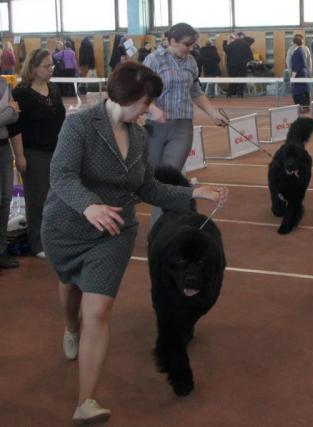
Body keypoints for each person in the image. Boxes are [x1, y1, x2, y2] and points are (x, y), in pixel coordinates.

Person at [41, 61, 228, 424]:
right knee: (69, 289)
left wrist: (193, 191)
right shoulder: (80, 124)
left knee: (99, 310)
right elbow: (60, 175)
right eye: (147, 102)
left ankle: (86, 401)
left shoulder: (139, 136)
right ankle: (70, 327)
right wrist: (89, 206)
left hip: (113, 232)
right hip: (68, 227)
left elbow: (147, 188)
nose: (150, 109)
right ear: (130, 97)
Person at [143, 22, 227, 224]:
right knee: (152, 178)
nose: (190, 48)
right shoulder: (153, 60)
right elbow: (140, 92)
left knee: (169, 177)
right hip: (155, 127)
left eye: (192, 44)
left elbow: (195, 92)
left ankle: (159, 227)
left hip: (182, 127)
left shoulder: (191, 62)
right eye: (186, 44)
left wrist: (213, 113)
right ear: (172, 40)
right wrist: (153, 110)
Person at [9, 49, 66, 259]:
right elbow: (15, 127)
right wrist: (20, 155)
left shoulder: (53, 89)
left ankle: (54, 237)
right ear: (33, 68)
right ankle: (38, 243)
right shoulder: (21, 93)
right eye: (46, 66)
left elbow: (61, 119)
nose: (51, 69)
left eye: (52, 65)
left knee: (57, 198)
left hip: (56, 151)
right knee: (37, 199)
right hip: (34, 154)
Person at [0, 73, 20, 268]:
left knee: (6, 199)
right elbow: (10, 112)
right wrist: (7, 110)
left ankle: (1, 251)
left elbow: (15, 115)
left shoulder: (3, 84)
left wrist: (6, 112)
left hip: (4, 148)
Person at [222, 32, 254, 97]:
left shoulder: (232, 44)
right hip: (243, 64)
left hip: (233, 64)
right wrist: (243, 36)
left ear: (237, 37)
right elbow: (252, 40)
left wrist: (226, 41)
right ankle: (240, 93)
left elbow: (225, 49)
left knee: (233, 78)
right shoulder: (245, 43)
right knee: (242, 78)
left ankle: (230, 93)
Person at [290, 35, 310, 110]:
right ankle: (306, 107)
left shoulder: (296, 52)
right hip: (304, 73)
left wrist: (292, 78)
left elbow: (296, 67)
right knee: (305, 90)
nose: (291, 44)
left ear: (295, 43)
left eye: (292, 42)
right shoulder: (302, 50)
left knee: (297, 92)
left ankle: (302, 107)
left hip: (299, 74)